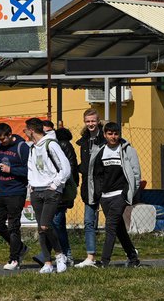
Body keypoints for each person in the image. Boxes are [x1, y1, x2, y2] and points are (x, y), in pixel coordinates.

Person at [88, 122, 141, 268]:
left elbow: (136, 174)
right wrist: (98, 193)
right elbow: (96, 175)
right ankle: (133, 258)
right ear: (104, 135)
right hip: (105, 197)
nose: (113, 136)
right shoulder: (100, 151)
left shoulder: (127, 150)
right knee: (119, 229)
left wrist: (127, 194)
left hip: (120, 195)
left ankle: (104, 261)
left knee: (110, 226)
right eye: (110, 134)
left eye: (116, 133)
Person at [24, 117, 71, 274]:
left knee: (46, 225)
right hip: (36, 191)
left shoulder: (51, 144)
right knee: (41, 229)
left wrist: (55, 185)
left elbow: (65, 167)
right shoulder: (32, 148)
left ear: (31, 130)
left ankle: (60, 255)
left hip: (50, 190)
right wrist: (31, 186)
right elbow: (31, 169)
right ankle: (47, 263)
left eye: (26, 130)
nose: (24, 132)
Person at [33, 124, 79, 267]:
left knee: (57, 224)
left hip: (59, 191)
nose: (44, 134)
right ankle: (48, 255)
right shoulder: (39, 147)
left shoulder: (60, 145)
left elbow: (69, 169)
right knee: (47, 225)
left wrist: (57, 185)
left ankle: (66, 254)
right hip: (45, 190)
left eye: (47, 131)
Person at [0, 123, 30, 270]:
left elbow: (28, 171)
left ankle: (15, 259)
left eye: (3, 139)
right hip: (2, 191)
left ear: (10, 134)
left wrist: (10, 169)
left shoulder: (22, 147)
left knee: (13, 226)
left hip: (16, 192)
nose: (1, 142)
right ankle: (20, 247)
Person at [74, 108, 105, 268]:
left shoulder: (107, 139)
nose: (91, 124)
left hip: (106, 186)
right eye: (88, 121)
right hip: (89, 187)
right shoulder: (83, 142)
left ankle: (130, 252)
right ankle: (90, 256)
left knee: (115, 223)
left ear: (98, 121)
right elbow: (85, 165)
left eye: (93, 121)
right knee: (88, 222)